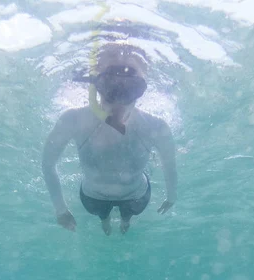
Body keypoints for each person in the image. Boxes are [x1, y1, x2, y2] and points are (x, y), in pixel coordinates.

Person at [42, 43, 178, 235]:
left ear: (142, 86)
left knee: (126, 215)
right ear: (96, 83)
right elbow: (48, 164)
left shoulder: (156, 126)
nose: (119, 100)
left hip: (135, 195)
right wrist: (60, 210)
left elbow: (170, 166)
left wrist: (172, 196)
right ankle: (106, 221)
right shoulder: (72, 120)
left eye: (130, 86)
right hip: (94, 197)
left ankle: (125, 221)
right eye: (111, 84)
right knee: (102, 215)